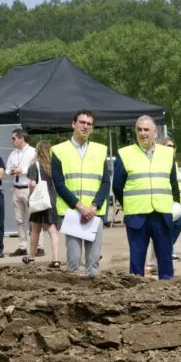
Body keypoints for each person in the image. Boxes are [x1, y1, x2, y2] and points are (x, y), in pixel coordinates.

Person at [112, 115, 181, 280]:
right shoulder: (125, 154)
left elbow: (173, 185)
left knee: (165, 259)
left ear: (155, 133)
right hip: (136, 215)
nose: (143, 133)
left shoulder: (167, 153)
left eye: (146, 130)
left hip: (162, 214)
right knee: (136, 263)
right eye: (139, 130)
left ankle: (168, 296)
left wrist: (175, 206)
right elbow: (117, 186)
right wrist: (128, 204)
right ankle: (137, 299)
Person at [51, 110, 111, 277]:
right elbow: (59, 184)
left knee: (93, 262)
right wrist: (79, 206)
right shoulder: (59, 151)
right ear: (73, 124)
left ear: (92, 128)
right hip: (72, 213)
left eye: (89, 124)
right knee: (73, 261)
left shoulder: (100, 151)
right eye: (82, 122)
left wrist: (94, 206)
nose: (85, 126)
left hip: (94, 212)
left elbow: (106, 182)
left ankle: (94, 299)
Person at [146, 136, 181, 274]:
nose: (171, 149)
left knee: (179, 225)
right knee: (161, 231)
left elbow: (177, 183)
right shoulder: (162, 161)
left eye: (173, 146)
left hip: (176, 204)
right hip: (164, 202)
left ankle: (164, 251)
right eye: (168, 146)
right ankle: (155, 261)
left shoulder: (173, 162)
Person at [25, 141, 61, 268]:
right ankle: (56, 259)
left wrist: (31, 195)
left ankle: (32, 258)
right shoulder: (54, 166)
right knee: (53, 230)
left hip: (39, 200)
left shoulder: (35, 165)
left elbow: (32, 184)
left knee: (35, 230)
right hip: (51, 200)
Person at [6, 128, 41, 257]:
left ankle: (39, 246)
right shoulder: (13, 154)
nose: (12, 141)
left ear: (21, 138)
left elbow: (37, 167)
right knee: (19, 220)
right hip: (16, 189)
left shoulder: (33, 152)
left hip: (29, 188)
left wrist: (22, 170)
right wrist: (11, 170)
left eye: (14, 138)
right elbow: (6, 169)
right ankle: (22, 246)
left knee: (34, 219)